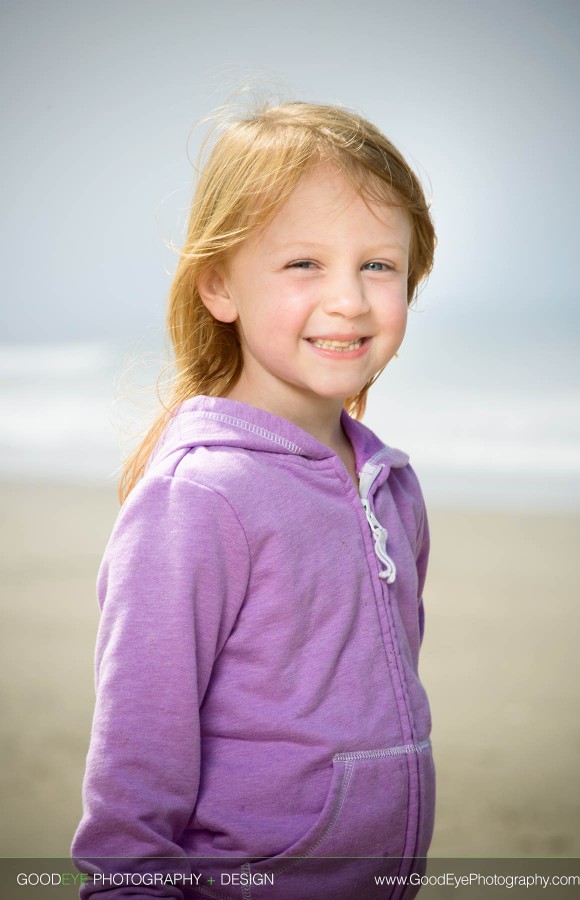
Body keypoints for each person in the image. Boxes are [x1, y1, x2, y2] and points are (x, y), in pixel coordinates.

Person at [72, 100, 437, 900]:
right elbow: (130, 808)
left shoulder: (390, 484)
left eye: (378, 265)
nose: (348, 298)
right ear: (218, 286)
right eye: (303, 264)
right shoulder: (200, 497)